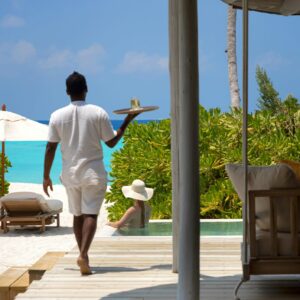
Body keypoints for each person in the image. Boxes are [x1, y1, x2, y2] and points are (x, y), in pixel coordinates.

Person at [43, 71, 138, 275]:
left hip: (70, 173)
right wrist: (128, 119)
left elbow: (50, 147)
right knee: (91, 214)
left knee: (77, 215)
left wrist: (45, 176)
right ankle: (84, 255)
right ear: (86, 89)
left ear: (67, 91)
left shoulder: (56, 116)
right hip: (92, 173)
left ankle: (82, 254)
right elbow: (111, 142)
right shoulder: (98, 113)